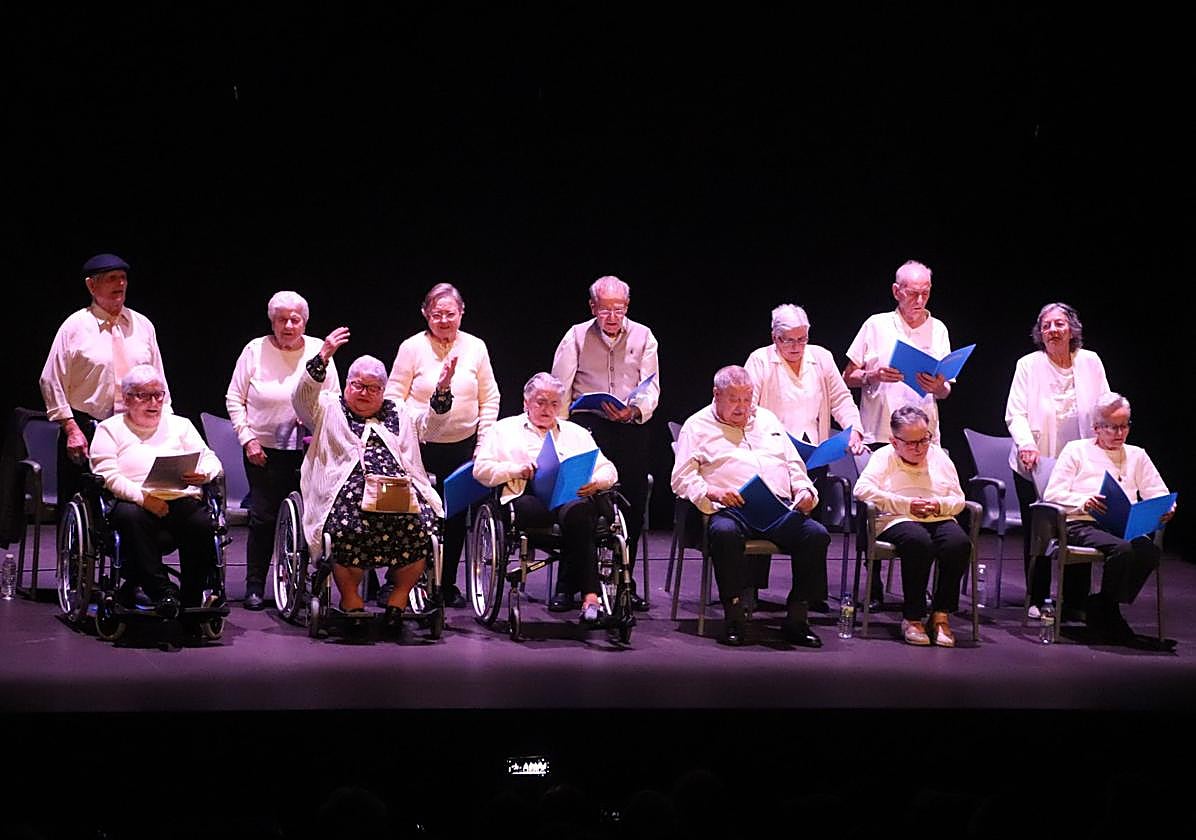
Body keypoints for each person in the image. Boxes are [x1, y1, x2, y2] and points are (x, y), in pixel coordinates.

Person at [292, 327, 453, 635]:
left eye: (373, 387)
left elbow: (431, 429)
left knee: (425, 527)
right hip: (345, 491)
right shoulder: (328, 407)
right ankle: (352, 601)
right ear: (346, 385)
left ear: (383, 390)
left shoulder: (399, 410)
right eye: (357, 385)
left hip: (401, 492)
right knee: (344, 527)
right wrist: (323, 356)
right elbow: (301, 399)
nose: (364, 392)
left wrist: (442, 390)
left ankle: (398, 601)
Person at [670, 365, 829, 648]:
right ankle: (734, 616)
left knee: (815, 535)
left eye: (747, 398)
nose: (743, 407)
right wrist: (713, 491)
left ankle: (797, 618)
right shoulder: (697, 426)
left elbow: (794, 465)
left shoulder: (767, 419)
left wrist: (804, 490)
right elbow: (681, 479)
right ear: (716, 395)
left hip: (777, 509)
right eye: (734, 399)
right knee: (724, 534)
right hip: (730, 509)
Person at [385, 283, 500, 609]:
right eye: (437, 315)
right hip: (417, 446)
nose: (444, 320)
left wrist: (483, 442)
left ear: (461, 313)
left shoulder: (475, 347)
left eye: (451, 314)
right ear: (425, 314)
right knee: (408, 516)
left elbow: (489, 398)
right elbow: (394, 395)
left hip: (462, 447)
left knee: (454, 517)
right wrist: (416, 423)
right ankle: (397, 581)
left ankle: (445, 583)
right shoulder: (412, 347)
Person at [745, 303, 865, 611]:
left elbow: (841, 399)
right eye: (788, 340)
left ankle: (811, 592)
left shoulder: (821, 358)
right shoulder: (760, 361)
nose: (796, 346)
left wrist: (854, 430)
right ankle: (751, 590)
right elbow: (748, 408)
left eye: (802, 339)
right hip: (772, 454)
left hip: (814, 453)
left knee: (814, 523)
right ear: (775, 337)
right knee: (766, 517)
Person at [472, 372, 619, 624]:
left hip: (570, 499)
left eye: (554, 404)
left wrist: (596, 482)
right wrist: (516, 468)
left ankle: (590, 597)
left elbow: (609, 469)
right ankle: (573, 592)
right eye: (540, 402)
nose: (547, 409)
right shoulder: (504, 429)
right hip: (527, 497)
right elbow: (480, 470)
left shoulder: (577, 433)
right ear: (526, 403)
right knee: (551, 513)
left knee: (581, 514)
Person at [225, 290, 340, 610]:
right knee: (263, 518)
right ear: (272, 321)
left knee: (309, 520)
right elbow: (235, 398)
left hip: (309, 451)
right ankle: (254, 586)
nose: (288, 325)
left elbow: (333, 399)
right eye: (281, 319)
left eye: (295, 319)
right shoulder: (255, 349)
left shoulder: (319, 350)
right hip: (263, 449)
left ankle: (301, 585)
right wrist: (247, 439)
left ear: (304, 321)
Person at [551, 275, 658, 611]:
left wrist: (635, 409)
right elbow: (559, 387)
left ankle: (625, 582)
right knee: (580, 503)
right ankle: (569, 584)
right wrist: (562, 431)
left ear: (626, 307)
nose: (612, 316)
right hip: (587, 427)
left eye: (619, 309)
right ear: (592, 307)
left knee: (632, 507)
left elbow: (651, 385)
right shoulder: (576, 336)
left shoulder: (643, 336)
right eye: (605, 309)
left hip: (630, 427)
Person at [1041, 392, 1175, 647]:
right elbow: (1053, 493)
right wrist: (1084, 501)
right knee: (1122, 550)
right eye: (1112, 427)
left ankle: (1101, 604)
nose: (1119, 433)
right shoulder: (1076, 450)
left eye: (1124, 426)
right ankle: (1108, 612)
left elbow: (1158, 492)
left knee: (1149, 552)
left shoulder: (1137, 455)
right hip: (1081, 522)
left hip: (1123, 524)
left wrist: (1167, 508)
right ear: (1096, 428)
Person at [1005, 302, 1110, 618]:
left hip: (1081, 464)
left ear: (1072, 329)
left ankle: (1075, 601)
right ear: (1040, 332)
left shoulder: (1090, 361)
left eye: (1059, 324)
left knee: (1079, 524)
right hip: (1037, 462)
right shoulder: (1028, 364)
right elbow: (1016, 412)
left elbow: (1106, 406)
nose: (1053, 330)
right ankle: (1036, 598)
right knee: (1039, 531)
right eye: (1047, 325)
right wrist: (1026, 444)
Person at [89, 365, 222, 613]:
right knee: (130, 517)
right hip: (134, 502)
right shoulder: (110, 429)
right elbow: (107, 474)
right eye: (143, 395)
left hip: (179, 497)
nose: (153, 402)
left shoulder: (180, 425)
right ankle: (163, 592)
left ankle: (192, 597)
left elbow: (211, 459)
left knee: (201, 524)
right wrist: (143, 498)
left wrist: (204, 474)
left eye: (158, 395)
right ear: (127, 398)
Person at [40, 253, 167, 506]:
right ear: (91, 285)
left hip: (133, 427)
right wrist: (71, 428)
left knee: (131, 503)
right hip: (87, 426)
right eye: (111, 279)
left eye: (123, 278)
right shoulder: (75, 326)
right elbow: (50, 379)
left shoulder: (142, 326)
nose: (120, 284)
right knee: (83, 502)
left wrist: (166, 421)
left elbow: (159, 378)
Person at [852, 406, 971, 646]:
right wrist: (906, 504)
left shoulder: (938, 456)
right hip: (898, 518)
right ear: (894, 442)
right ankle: (912, 617)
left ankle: (940, 615)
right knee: (918, 543)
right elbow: (861, 490)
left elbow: (959, 499)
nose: (920, 448)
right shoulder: (884, 456)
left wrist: (938, 505)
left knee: (958, 544)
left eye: (924, 439)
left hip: (936, 516)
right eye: (912, 443)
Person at [842, 260, 953, 445]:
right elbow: (847, 377)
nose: (919, 300)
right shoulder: (875, 325)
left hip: (923, 437)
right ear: (896, 291)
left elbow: (945, 391)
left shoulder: (938, 329)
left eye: (925, 293)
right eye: (912, 293)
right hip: (881, 435)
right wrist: (873, 375)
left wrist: (937, 387)